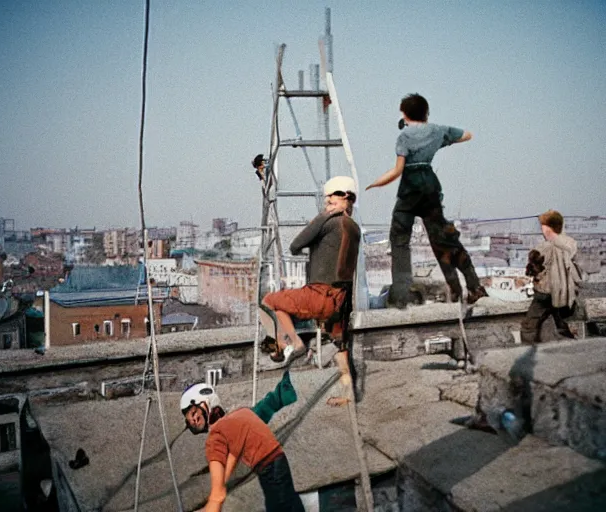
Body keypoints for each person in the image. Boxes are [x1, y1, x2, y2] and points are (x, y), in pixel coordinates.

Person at [365, 93, 487, 308]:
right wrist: (441, 139)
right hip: (430, 186)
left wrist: (375, 183)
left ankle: (402, 292)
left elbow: (397, 171)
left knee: (400, 240)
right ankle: (472, 286)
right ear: (426, 113)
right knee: (443, 240)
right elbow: (466, 135)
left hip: (410, 188)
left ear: (404, 113)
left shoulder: (404, 137)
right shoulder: (437, 130)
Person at [258, 176, 361, 390]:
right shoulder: (354, 228)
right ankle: (348, 392)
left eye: (332, 198)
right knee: (341, 349)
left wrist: (322, 216)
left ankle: (291, 344)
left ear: (345, 198)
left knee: (268, 301)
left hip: (320, 295)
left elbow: (296, 245)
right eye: (327, 199)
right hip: (341, 301)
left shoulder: (331, 222)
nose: (327, 202)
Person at [180, 374, 304, 512]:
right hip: (278, 463)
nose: (194, 420)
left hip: (270, 470)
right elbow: (232, 458)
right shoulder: (241, 414)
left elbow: (218, 493)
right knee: (290, 505)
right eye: (189, 419)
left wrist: (213, 502)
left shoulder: (216, 437)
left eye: (193, 413)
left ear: (205, 403)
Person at [521, 210, 582, 344]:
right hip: (564, 291)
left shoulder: (544, 247)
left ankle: (528, 352)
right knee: (560, 319)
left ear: (548, 228)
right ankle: (571, 347)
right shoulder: (570, 243)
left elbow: (533, 267)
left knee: (529, 325)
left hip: (546, 291)